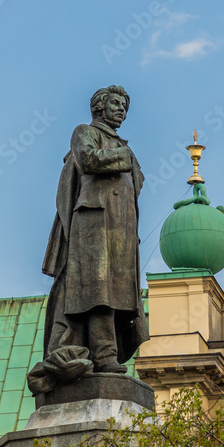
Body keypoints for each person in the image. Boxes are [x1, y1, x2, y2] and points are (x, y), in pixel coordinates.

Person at [38, 85, 149, 384]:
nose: (121, 109)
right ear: (99, 107)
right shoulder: (85, 132)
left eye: (124, 106)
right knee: (99, 293)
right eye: (115, 103)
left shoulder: (121, 145)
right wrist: (124, 157)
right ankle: (104, 355)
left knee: (117, 293)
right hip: (93, 225)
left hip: (120, 228)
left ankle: (106, 353)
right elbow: (87, 159)